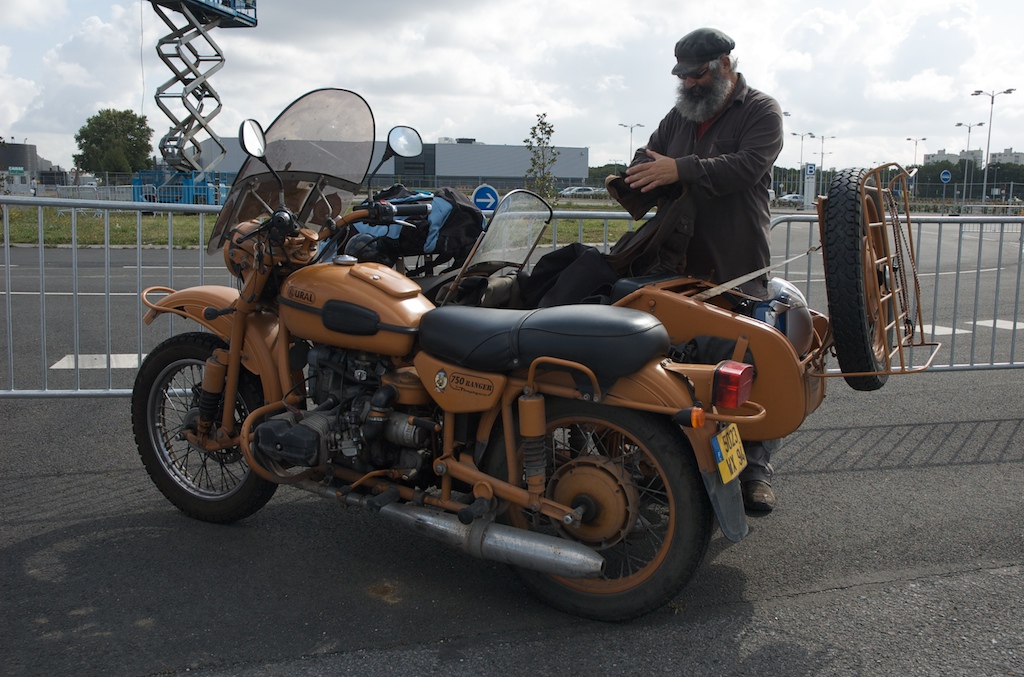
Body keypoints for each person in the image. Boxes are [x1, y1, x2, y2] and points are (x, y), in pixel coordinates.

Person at [623, 27, 785, 512]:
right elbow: (647, 157)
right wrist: (633, 175)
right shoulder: (677, 116)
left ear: (725, 66)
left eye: (698, 75)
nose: (689, 85)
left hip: (736, 265)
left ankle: (754, 469)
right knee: (675, 366)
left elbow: (746, 167)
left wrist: (681, 169)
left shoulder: (761, 111)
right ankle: (664, 464)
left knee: (743, 369)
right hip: (676, 266)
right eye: (683, 77)